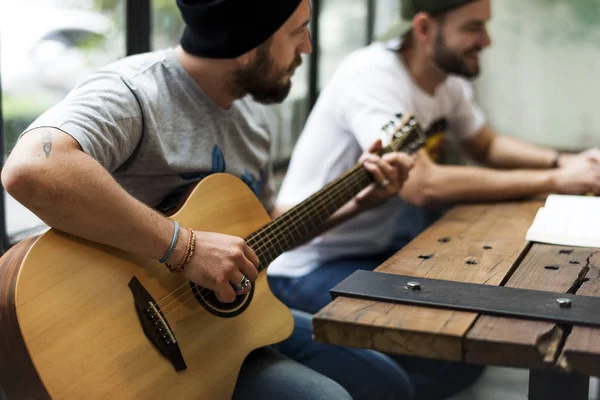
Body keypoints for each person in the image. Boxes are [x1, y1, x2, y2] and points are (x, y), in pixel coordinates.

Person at [1, 0, 417, 399]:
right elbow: (33, 168)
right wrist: (186, 248)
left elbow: (261, 229)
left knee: (388, 383)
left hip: (222, 325)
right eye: (298, 31)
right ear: (244, 46)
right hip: (127, 340)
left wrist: (361, 199)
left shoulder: (252, 117)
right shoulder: (135, 91)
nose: (307, 47)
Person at [266, 0, 600, 398]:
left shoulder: (447, 79)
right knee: (450, 356)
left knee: (469, 342)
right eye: (474, 28)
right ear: (424, 28)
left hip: (376, 249)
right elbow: (422, 185)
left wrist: (565, 161)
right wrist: (558, 178)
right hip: (305, 265)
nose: (486, 40)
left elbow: (487, 146)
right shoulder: (371, 77)